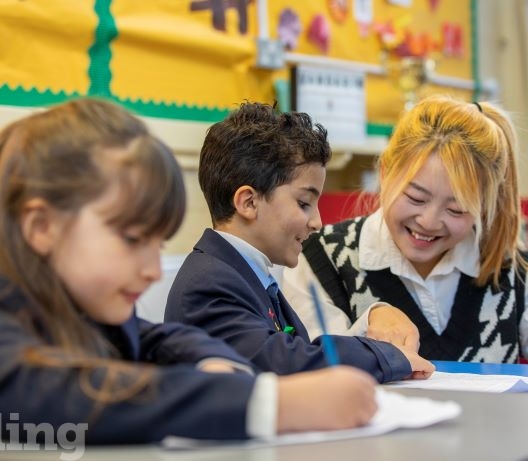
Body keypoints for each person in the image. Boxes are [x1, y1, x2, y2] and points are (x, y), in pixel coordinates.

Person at [0, 98, 382, 446]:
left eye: (157, 244)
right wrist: (266, 404)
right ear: (42, 226)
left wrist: (213, 360)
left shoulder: (54, 282)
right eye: (132, 240)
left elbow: (147, 336)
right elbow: (25, 393)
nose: (152, 271)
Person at [282, 95, 528, 382]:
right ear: (385, 175)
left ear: (484, 206)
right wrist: (368, 320)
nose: (429, 221)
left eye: (457, 209)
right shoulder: (319, 257)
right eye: (415, 198)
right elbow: (307, 355)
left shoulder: (508, 269)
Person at [164, 101, 434, 383]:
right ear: (249, 202)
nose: (317, 221)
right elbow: (284, 360)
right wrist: (385, 356)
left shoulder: (250, 276)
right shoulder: (209, 285)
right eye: (304, 203)